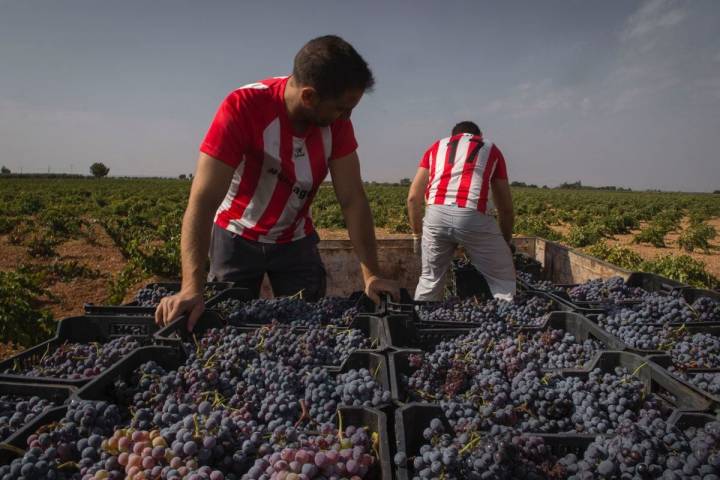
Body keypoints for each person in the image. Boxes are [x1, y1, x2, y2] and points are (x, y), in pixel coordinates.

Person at [155, 35, 398, 330]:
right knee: (228, 323)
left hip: (295, 240)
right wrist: (191, 287)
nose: (347, 116)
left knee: (309, 326)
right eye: (341, 108)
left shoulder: (338, 125)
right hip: (236, 236)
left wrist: (370, 274)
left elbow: (353, 199)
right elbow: (203, 200)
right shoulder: (243, 106)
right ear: (309, 97)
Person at [406, 121, 516, 301]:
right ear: (478, 136)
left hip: (435, 215)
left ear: (453, 136)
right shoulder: (491, 148)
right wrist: (505, 242)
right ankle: (507, 320)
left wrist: (417, 236)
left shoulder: (435, 147)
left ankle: (421, 323)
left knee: (430, 280)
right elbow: (505, 209)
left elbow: (413, 198)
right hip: (472, 214)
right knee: (502, 278)